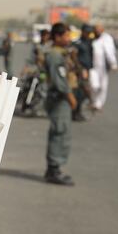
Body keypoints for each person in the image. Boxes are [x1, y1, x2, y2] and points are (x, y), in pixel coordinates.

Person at [44, 22, 78, 186]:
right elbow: (60, 80)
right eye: (65, 35)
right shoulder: (55, 55)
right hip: (59, 98)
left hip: (61, 97)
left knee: (62, 131)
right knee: (59, 131)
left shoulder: (62, 53)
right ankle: (53, 169)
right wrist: (70, 97)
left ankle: (55, 168)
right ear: (57, 37)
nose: (68, 38)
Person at [90, 23, 118, 111]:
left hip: (103, 66)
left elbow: (110, 52)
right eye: (95, 29)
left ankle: (98, 104)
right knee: (94, 85)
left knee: (103, 86)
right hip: (92, 66)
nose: (97, 31)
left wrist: (113, 64)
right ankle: (93, 101)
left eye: (98, 29)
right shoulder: (92, 38)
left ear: (102, 29)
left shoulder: (107, 38)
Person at [73, 24, 94, 121]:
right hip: (80, 70)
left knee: (82, 93)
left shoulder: (89, 42)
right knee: (81, 91)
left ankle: (77, 111)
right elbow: (74, 57)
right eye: (87, 32)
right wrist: (80, 69)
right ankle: (75, 112)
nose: (88, 34)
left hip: (87, 69)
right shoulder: (78, 43)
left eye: (89, 32)